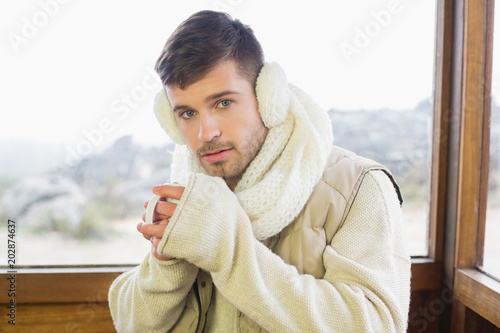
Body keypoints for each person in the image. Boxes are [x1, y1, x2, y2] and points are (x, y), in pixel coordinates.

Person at [108, 10, 411, 333]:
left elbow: (376, 326)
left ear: (267, 97)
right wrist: (166, 266)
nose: (204, 133)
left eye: (223, 103)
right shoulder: (190, 193)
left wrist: (227, 247)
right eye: (187, 112)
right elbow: (133, 325)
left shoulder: (359, 187)